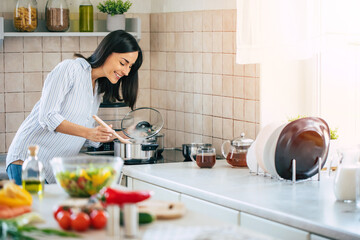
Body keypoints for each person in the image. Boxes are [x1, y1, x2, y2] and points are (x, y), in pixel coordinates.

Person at [6, 30, 143, 184]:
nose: (125, 71)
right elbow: (47, 116)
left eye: (130, 67)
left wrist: (122, 134)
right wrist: (89, 133)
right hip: (28, 161)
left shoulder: (96, 89)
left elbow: (89, 138)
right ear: (107, 52)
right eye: (123, 63)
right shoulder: (70, 69)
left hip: (52, 171)